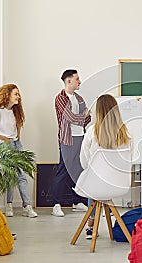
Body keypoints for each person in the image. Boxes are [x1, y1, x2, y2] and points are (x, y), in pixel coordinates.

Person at [79, 94, 132, 239]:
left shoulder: (91, 131)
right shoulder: (125, 133)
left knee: (92, 177)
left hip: (97, 186)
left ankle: (91, 224)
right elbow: (129, 160)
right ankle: (99, 217)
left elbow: (84, 162)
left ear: (98, 111)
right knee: (98, 179)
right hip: (118, 184)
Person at [0, 84, 38, 218]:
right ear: (7, 95)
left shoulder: (15, 111)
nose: (18, 97)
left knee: (20, 176)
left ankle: (24, 206)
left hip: (16, 144)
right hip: (5, 146)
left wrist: (16, 137)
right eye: (16, 94)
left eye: (18, 94)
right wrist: (3, 138)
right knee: (12, 176)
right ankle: (12, 205)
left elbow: (17, 128)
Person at [52, 69, 91, 217]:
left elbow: (86, 119)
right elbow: (69, 117)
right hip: (67, 139)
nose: (79, 81)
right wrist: (83, 116)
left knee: (79, 169)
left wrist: (83, 117)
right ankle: (56, 204)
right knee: (63, 170)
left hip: (81, 136)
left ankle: (77, 201)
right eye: (77, 79)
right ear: (69, 81)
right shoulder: (60, 98)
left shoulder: (79, 98)